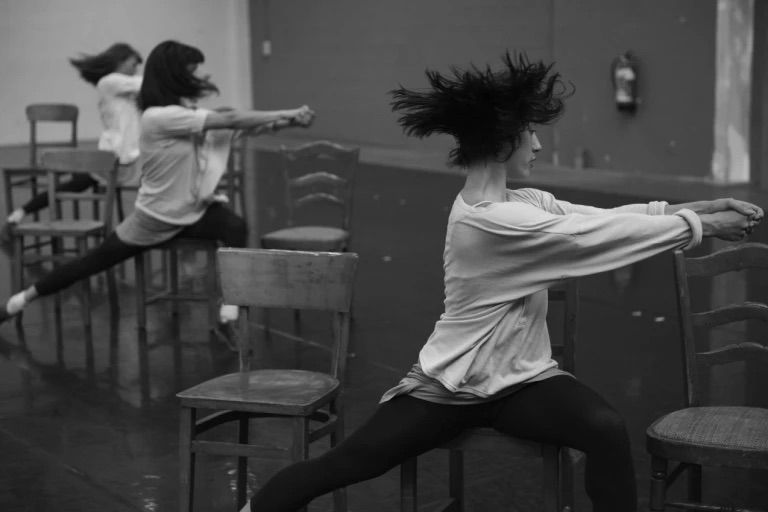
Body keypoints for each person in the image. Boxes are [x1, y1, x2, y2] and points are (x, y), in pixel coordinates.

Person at [238, 52, 762, 512]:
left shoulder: (523, 201)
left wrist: (697, 207)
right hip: (451, 385)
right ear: (503, 140)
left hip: (522, 381)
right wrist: (704, 227)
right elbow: (585, 237)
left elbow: (603, 215)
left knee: (604, 428)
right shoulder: (486, 220)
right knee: (350, 463)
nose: (536, 142)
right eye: (529, 132)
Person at [0, 40, 315, 331]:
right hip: (153, 219)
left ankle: (230, 305)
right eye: (190, 72)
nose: (197, 77)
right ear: (175, 77)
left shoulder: (183, 114)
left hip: (191, 213)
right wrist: (285, 112)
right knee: (90, 263)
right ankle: (19, 300)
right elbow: (229, 121)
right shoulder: (157, 117)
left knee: (234, 226)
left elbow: (236, 127)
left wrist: (288, 122)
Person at [3, 43, 144, 230]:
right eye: (133, 64)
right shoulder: (109, 82)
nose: (135, 70)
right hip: (117, 158)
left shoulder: (126, 90)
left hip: (123, 157)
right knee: (73, 184)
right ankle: (19, 214)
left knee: (75, 184)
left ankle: (19, 213)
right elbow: (146, 84)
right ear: (119, 61)